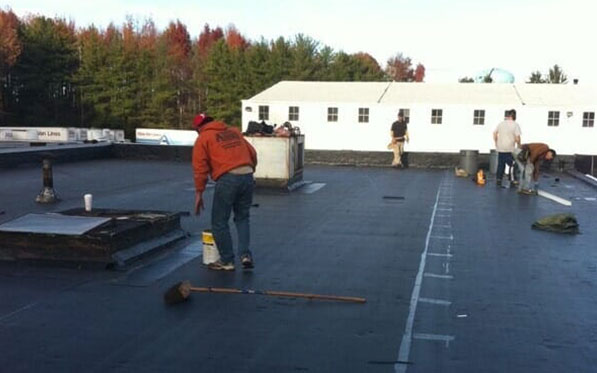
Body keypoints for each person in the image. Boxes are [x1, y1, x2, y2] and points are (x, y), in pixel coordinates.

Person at [191, 113, 258, 271]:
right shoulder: (233, 131)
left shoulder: (204, 138)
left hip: (228, 178)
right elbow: (253, 153)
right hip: (247, 175)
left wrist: (199, 193)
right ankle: (245, 255)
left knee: (219, 222)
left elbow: (200, 168)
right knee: (242, 218)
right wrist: (249, 170)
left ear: (199, 128)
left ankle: (227, 260)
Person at [493, 109, 521, 186]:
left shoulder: (501, 124)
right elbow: (517, 137)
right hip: (509, 148)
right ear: (513, 116)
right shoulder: (515, 124)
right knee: (512, 164)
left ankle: (499, 179)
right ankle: (512, 179)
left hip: (500, 147)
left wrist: (496, 142)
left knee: (501, 164)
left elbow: (495, 133)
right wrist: (519, 146)